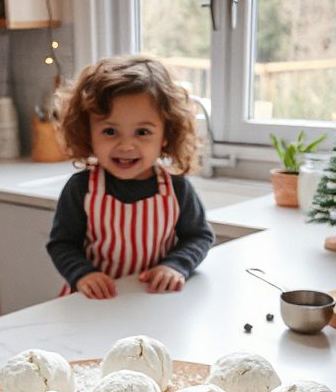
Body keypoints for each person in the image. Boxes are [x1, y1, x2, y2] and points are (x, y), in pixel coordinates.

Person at [46, 55, 215, 299]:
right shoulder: (82, 188)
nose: (126, 145)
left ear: (166, 134)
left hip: (150, 299)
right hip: (94, 302)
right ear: (88, 132)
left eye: (142, 132)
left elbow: (199, 236)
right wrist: (83, 274)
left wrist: (175, 265)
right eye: (110, 131)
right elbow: (62, 244)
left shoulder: (176, 187)